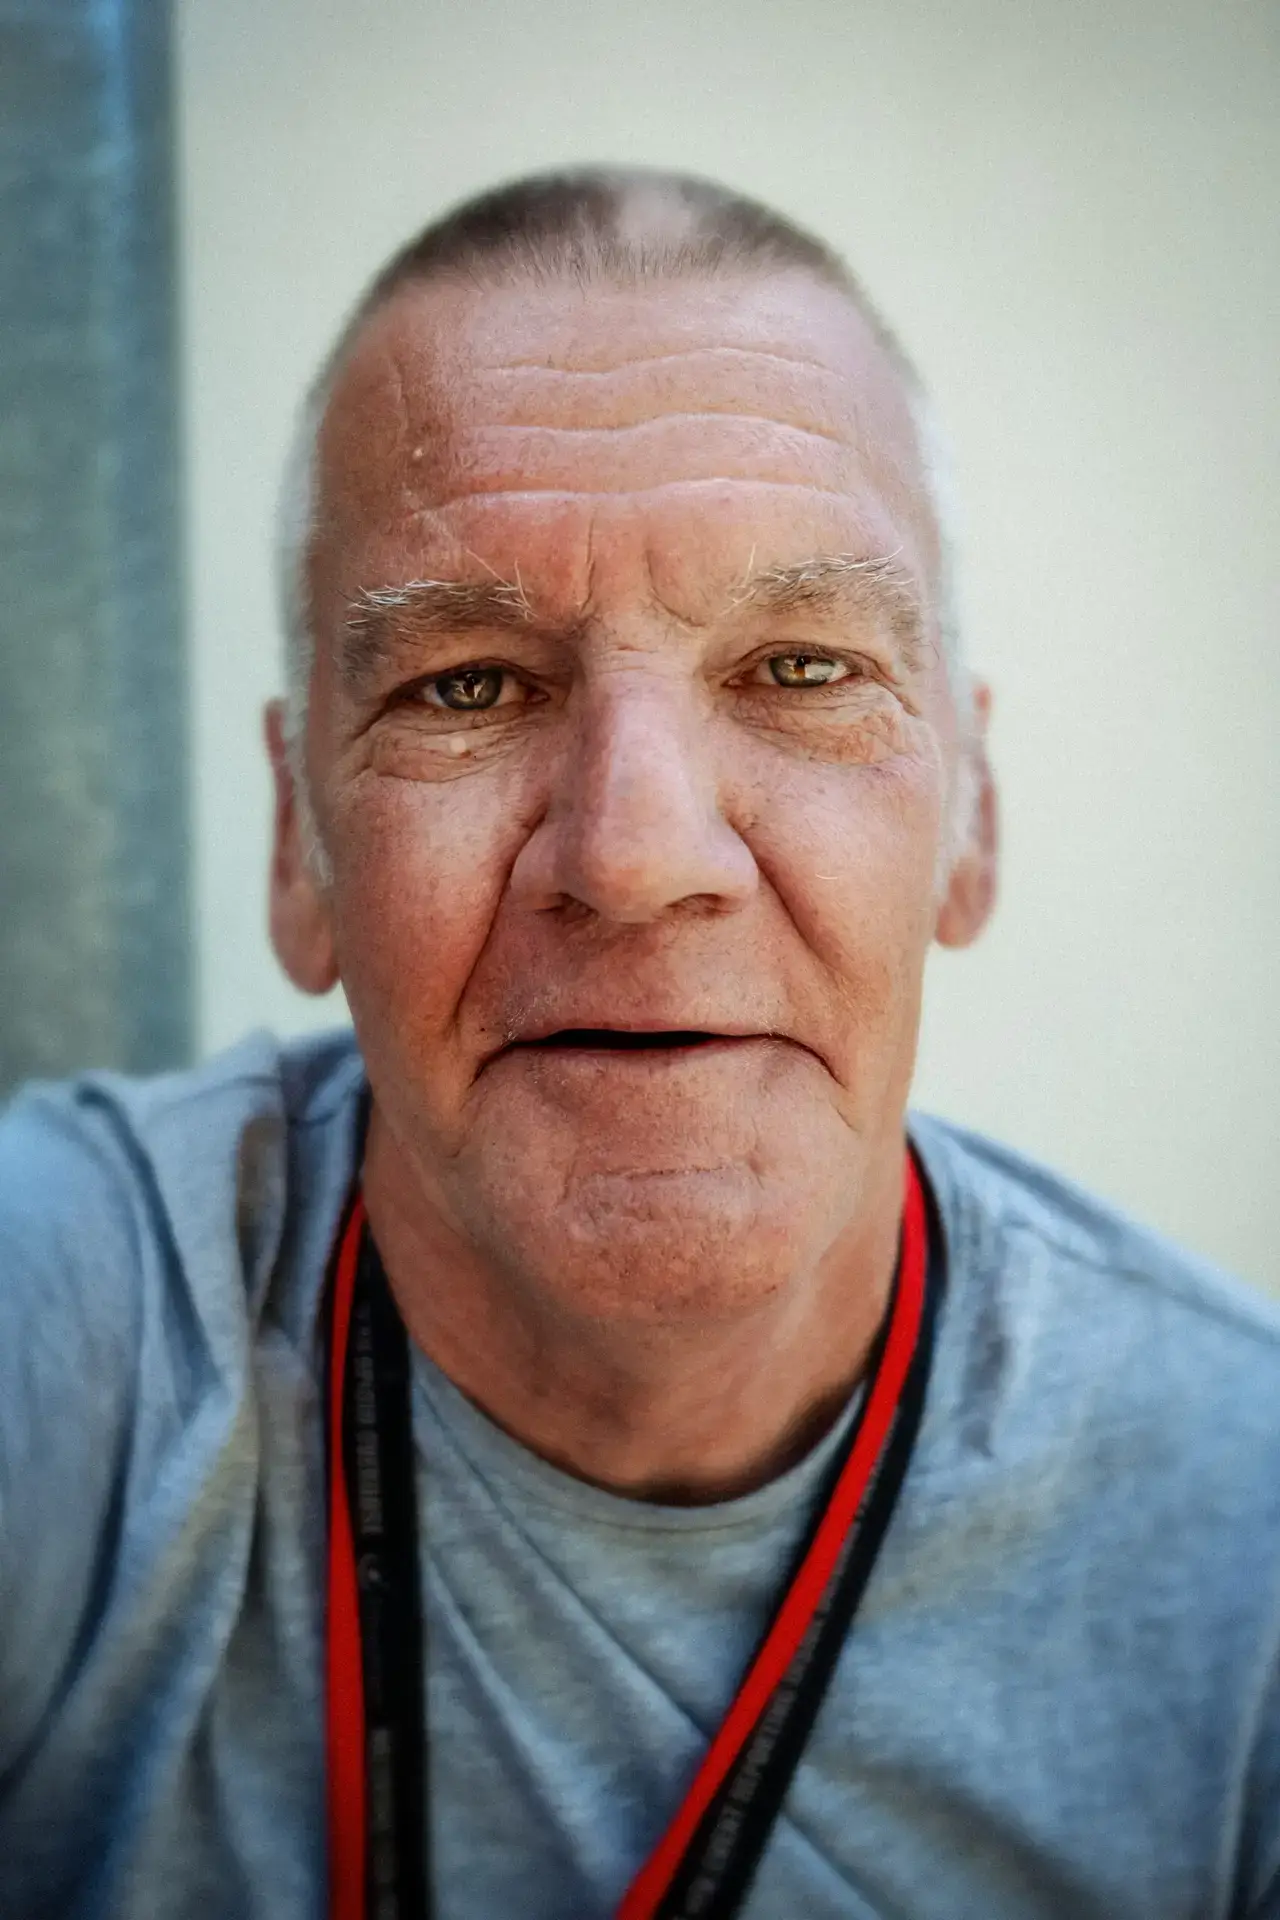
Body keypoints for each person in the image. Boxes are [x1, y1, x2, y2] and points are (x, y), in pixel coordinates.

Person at [0, 167, 1276, 1920]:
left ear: (969, 818)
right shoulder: (72, 1332)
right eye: (466, 685)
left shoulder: (1250, 1541)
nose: (635, 853)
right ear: (300, 847)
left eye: (802, 669)